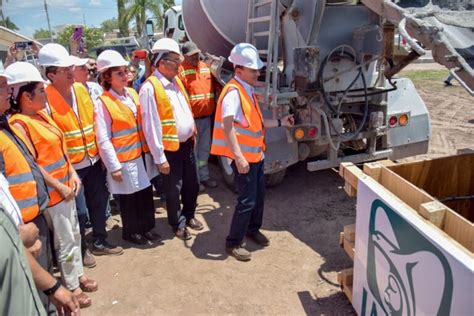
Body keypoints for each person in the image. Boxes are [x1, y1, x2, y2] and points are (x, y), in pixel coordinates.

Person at [6, 61, 98, 308]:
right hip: (55, 194)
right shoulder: (20, 123)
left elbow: (61, 147)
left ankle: (78, 274)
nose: (46, 94)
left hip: (67, 187)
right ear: (26, 97)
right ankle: (72, 286)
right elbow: (34, 164)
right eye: (41, 91)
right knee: (65, 239)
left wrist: (73, 175)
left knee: (75, 233)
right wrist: (59, 185)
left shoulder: (42, 116)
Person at [38, 44, 123, 269]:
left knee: (99, 202)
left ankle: (99, 241)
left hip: (93, 161)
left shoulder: (83, 90)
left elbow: (95, 125)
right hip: (70, 167)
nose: (70, 71)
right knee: (80, 210)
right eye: (64, 68)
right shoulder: (44, 101)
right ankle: (82, 249)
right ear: (51, 75)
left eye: (70, 66)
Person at [210, 43, 294, 261]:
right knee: (246, 200)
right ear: (239, 70)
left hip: (257, 155)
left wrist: (280, 121)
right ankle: (233, 242)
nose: (258, 73)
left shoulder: (246, 90)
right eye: (253, 70)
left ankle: (252, 230)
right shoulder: (233, 93)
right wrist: (238, 157)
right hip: (245, 159)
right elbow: (227, 125)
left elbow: (255, 122)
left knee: (258, 197)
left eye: (257, 69)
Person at [0, 62, 60, 312]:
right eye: (3, 87)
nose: (7, 93)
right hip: (20, 229)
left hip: (31, 221)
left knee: (43, 281)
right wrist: (17, 233)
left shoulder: (6, 125)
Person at [139, 38, 203, 241]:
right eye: (176, 60)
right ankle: (178, 223)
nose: (179, 65)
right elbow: (150, 127)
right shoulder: (150, 88)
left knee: (192, 184)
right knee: (173, 190)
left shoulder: (176, 83)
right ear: (161, 62)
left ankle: (189, 214)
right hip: (169, 150)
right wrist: (160, 158)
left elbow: (184, 109)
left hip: (187, 145)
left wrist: (191, 128)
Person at [94, 50, 160, 246]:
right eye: (119, 74)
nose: (125, 76)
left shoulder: (132, 94)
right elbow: (103, 138)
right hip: (125, 159)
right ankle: (132, 232)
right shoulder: (103, 102)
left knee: (145, 193)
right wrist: (113, 166)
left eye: (125, 71)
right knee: (130, 198)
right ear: (107, 77)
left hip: (141, 155)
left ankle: (147, 228)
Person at [178, 42, 219, 190]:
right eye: (192, 55)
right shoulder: (180, 71)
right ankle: (195, 181)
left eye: (197, 53)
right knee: (192, 153)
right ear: (185, 56)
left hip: (206, 118)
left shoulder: (205, 67)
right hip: (192, 120)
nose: (196, 57)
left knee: (204, 149)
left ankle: (204, 177)